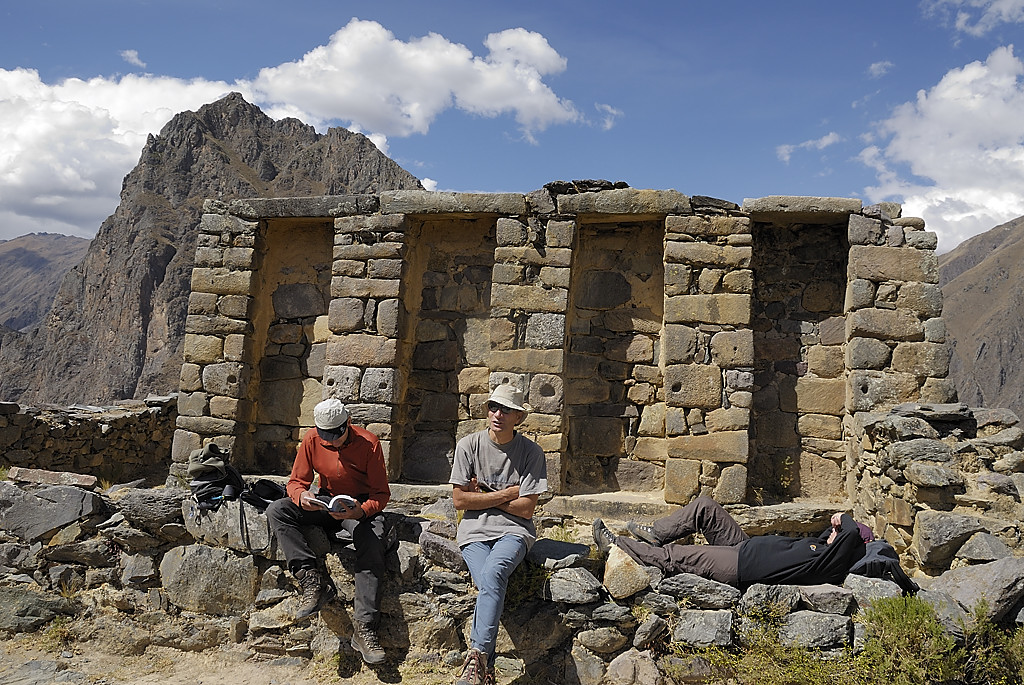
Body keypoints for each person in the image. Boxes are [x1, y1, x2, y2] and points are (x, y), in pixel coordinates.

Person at [266, 398, 390, 665]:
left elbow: (381, 494)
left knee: (371, 541)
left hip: (357, 508)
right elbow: (296, 481)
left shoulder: (369, 443)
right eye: (326, 437)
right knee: (278, 510)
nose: (332, 442)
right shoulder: (312, 439)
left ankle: (365, 627)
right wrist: (302, 498)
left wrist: (361, 511)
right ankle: (311, 580)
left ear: (348, 424)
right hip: (325, 502)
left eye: (337, 435)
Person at [449, 385, 548, 685]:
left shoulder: (532, 452)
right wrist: (505, 494)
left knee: (492, 575)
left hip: (514, 533)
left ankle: (476, 659)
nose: (497, 414)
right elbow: (459, 500)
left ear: (518, 416)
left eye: (506, 410)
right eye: (493, 407)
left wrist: (484, 494)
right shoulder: (469, 445)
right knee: (490, 581)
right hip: (474, 533)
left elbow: (527, 510)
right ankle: (486, 671)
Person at [592, 496, 868, 589]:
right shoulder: (822, 548)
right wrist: (832, 532)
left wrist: (843, 518)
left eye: (838, 533)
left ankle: (617, 546)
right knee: (705, 507)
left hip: (739, 567)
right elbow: (838, 537)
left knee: (678, 555)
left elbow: (850, 534)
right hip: (742, 546)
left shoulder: (831, 564)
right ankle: (656, 533)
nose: (832, 533)